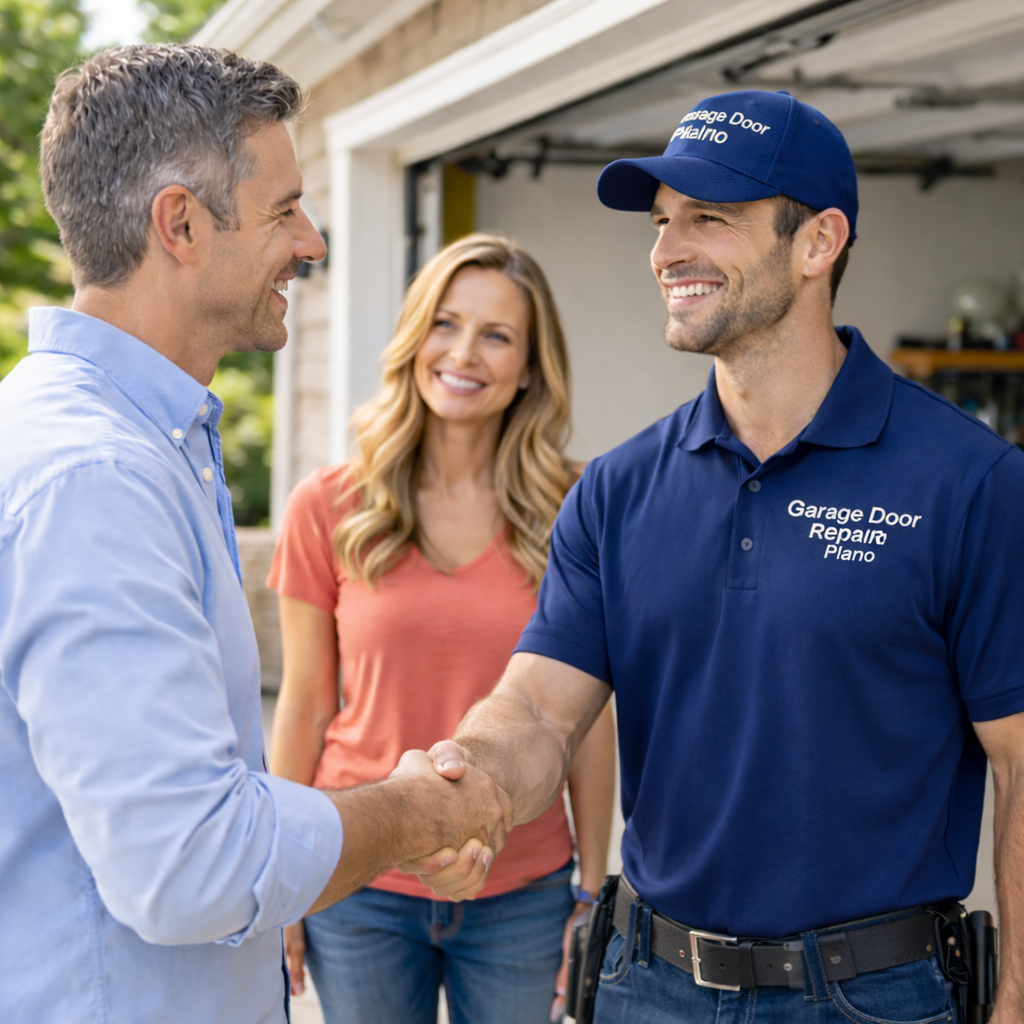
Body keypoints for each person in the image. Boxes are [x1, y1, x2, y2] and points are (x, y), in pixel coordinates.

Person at [405, 90, 1024, 1023]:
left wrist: (1018, 990)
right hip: (648, 985)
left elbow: (1020, 763)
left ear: (818, 242)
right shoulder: (617, 490)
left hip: (871, 997)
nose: (667, 252)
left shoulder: (970, 482)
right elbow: (537, 704)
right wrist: (473, 781)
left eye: (710, 219)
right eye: (661, 223)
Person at [0, 45, 507, 1024]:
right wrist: (412, 810)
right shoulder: (96, 479)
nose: (311, 242)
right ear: (179, 223)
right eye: (283, 210)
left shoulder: (125, 441)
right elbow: (190, 865)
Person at [267, 233, 616, 1024]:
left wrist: (591, 890)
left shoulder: (577, 510)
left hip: (523, 892)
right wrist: (283, 880)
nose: (464, 353)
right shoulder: (328, 506)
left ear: (530, 366)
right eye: (446, 324)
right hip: (357, 881)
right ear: (415, 336)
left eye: (497, 336)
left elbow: (588, 724)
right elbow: (306, 708)